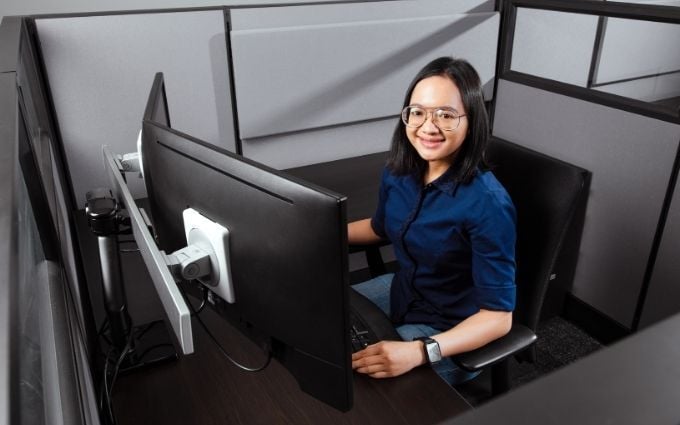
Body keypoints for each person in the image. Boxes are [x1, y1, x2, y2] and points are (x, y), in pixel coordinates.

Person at [349, 57, 516, 386]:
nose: (428, 126)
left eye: (446, 115)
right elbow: (379, 228)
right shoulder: (399, 173)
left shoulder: (488, 204)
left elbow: (498, 319)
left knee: (366, 387)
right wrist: (320, 231)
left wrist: (420, 352)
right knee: (330, 320)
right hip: (404, 293)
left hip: (453, 329)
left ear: (471, 121)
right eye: (418, 111)